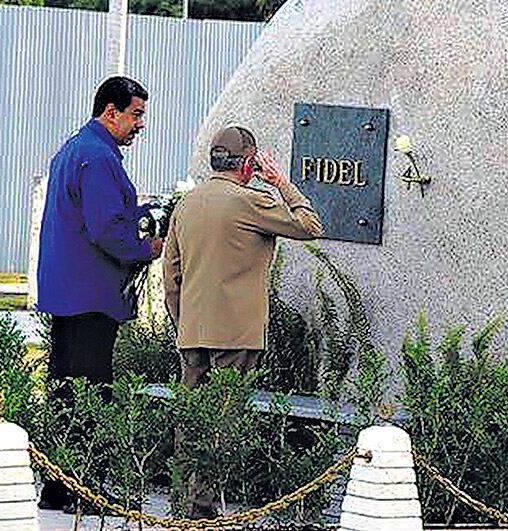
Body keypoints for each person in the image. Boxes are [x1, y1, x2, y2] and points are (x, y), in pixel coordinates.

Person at [163, 125, 322, 517]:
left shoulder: (188, 203)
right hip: (237, 333)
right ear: (249, 162)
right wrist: (283, 183)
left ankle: (186, 505)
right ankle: (204, 511)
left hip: (193, 330)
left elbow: (171, 274)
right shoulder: (251, 202)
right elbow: (310, 226)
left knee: (190, 419)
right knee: (223, 419)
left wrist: (183, 321)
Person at [36, 76, 164, 512]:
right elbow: (107, 229)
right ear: (111, 112)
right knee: (90, 392)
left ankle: (56, 488)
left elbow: (102, 215)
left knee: (64, 389)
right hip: (91, 292)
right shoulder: (98, 158)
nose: (140, 124)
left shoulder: (75, 149)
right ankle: (85, 490)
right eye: (136, 114)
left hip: (67, 291)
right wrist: (148, 248)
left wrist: (147, 211)